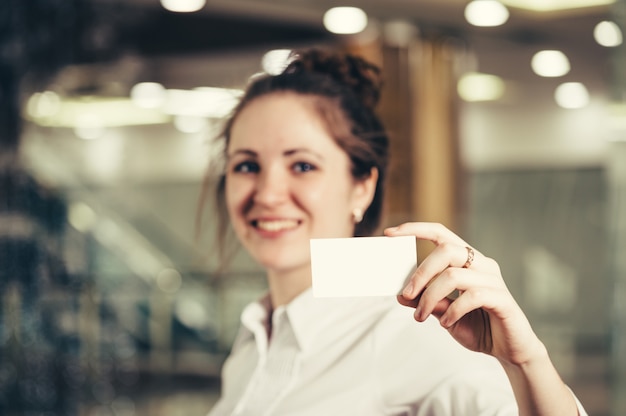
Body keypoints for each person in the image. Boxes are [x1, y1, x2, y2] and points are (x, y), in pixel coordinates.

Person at [204, 48, 587, 415]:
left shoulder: (413, 330)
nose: (268, 194)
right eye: (246, 166)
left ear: (362, 187)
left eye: (303, 166)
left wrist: (523, 362)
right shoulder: (254, 335)